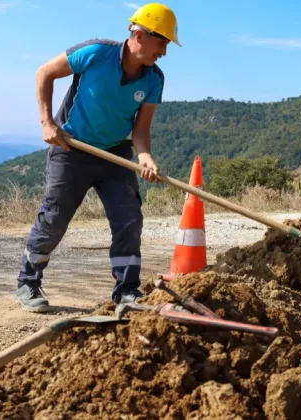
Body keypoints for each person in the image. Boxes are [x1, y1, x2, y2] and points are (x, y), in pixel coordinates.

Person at [15, 3, 181, 313]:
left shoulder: (154, 79)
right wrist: (47, 123)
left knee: (129, 219)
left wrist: (145, 156)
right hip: (71, 149)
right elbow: (44, 73)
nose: (164, 53)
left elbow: (141, 130)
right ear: (141, 35)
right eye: (163, 43)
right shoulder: (95, 52)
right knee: (55, 218)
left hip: (115, 155)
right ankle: (28, 282)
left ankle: (127, 290)